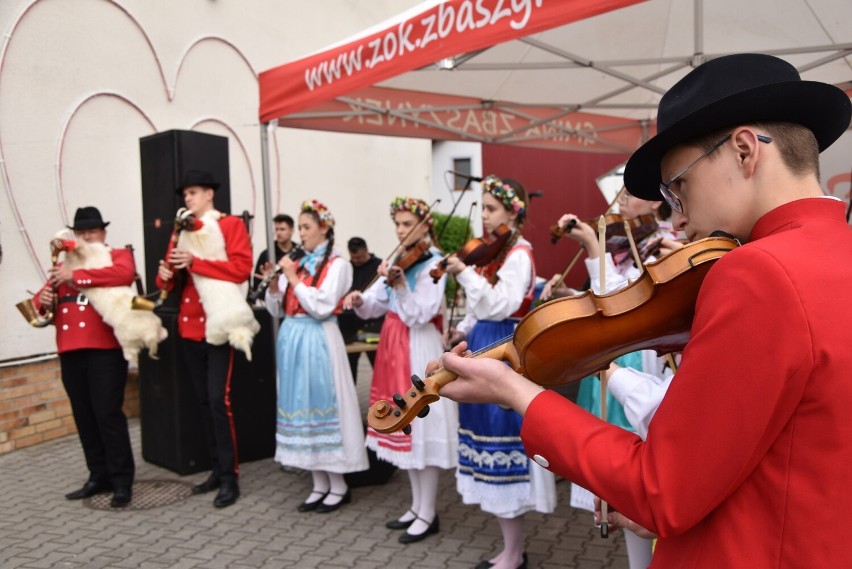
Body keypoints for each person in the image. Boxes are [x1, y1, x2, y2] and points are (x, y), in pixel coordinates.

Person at [432, 53, 852, 567]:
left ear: (744, 151)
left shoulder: (759, 272)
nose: (682, 214)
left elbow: (661, 490)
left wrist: (518, 392)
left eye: (679, 186)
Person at [443, 176, 556, 569]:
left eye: (491, 208)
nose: (485, 217)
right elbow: (483, 307)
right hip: (485, 342)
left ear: (513, 212)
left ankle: (514, 552)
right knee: (486, 433)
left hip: (504, 348)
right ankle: (509, 548)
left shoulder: (519, 253)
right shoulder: (498, 253)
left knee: (501, 436)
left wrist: (463, 273)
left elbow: (499, 304)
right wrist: (463, 327)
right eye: (484, 208)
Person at [343, 197, 457, 544]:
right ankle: (416, 506)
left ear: (425, 225)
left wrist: (400, 286)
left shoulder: (433, 263)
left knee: (420, 428)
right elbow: (379, 302)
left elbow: (421, 312)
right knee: (402, 426)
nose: (401, 230)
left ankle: (428, 512)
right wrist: (361, 300)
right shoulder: (397, 260)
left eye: (408, 224)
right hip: (393, 344)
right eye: (398, 224)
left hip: (418, 345)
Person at [156, 169, 253, 508]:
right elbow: (167, 284)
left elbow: (242, 269)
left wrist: (197, 261)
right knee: (202, 402)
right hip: (189, 326)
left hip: (218, 323)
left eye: (194, 192)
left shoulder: (230, 225)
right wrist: (166, 274)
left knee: (217, 401)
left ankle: (230, 477)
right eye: (185, 195)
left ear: (210, 194)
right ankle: (215, 469)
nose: (188, 199)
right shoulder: (179, 229)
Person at [264, 199, 368, 513]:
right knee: (301, 405)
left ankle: (339, 485)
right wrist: (273, 285)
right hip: (293, 338)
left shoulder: (338, 264)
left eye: (307, 227)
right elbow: (275, 309)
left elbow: (322, 306)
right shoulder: (298, 261)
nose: (302, 233)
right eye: (301, 228)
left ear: (324, 228)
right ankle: (318, 482)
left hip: (319, 338)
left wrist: (293, 279)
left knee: (323, 404)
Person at [32, 207, 135, 508]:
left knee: (107, 415)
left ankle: (121, 481)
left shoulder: (116, 256)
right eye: (81, 232)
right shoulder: (66, 264)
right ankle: (98, 475)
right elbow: (40, 301)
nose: (87, 236)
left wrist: (76, 276)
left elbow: (124, 274)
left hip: (105, 349)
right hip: (70, 350)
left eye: (92, 231)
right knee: (85, 416)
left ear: (103, 233)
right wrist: (45, 299)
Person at [337, 237, 383, 382]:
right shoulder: (348, 268)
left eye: (359, 257)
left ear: (366, 250)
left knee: (379, 368)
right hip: (351, 324)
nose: (356, 260)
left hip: (374, 324)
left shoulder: (379, 266)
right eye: (353, 257)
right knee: (349, 370)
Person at [251, 213, 295, 294]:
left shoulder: (299, 253)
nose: (278, 233)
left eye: (282, 229)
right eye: (276, 229)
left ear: (292, 230)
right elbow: (257, 283)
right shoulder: (266, 254)